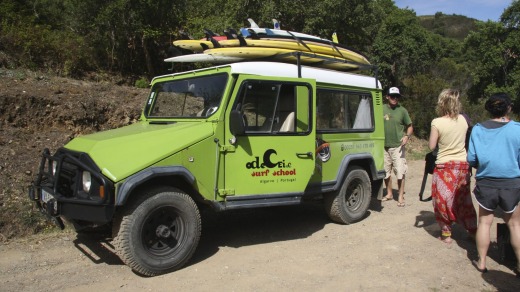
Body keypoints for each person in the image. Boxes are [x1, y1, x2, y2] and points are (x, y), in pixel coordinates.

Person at [467, 93, 520, 275]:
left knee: (484, 222)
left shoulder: (478, 129)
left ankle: (481, 262)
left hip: (486, 182)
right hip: (511, 182)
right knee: (514, 224)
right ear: (508, 108)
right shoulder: (517, 129)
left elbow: (472, 158)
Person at [428, 89, 477, 245]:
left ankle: (446, 233)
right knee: (464, 199)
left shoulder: (437, 122)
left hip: (444, 166)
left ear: (441, 103)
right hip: (462, 165)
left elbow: (431, 146)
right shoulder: (464, 119)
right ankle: (472, 231)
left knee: (442, 201)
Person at [382, 87, 413, 207]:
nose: (395, 99)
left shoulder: (402, 111)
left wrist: (407, 136)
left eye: (397, 96)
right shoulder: (381, 108)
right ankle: (389, 193)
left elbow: (410, 126)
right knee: (385, 172)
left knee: (400, 172)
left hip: (398, 147)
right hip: (383, 146)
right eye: (392, 96)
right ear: (387, 96)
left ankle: (400, 196)